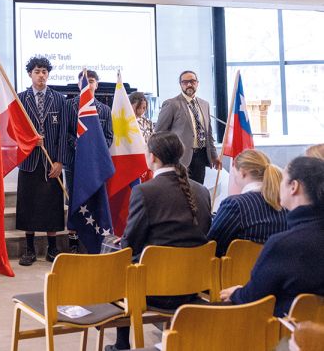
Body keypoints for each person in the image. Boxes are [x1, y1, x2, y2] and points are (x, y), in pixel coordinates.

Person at [106, 131, 212, 351]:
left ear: (152, 157)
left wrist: (121, 242)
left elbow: (130, 245)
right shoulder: (202, 191)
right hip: (194, 285)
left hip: (154, 289)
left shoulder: (144, 191)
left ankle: (122, 344)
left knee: (118, 258)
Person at [221, 156, 324, 317]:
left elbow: (252, 299)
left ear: (293, 187)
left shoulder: (284, 244)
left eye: (283, 179)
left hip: (286, 334)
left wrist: (236, 293)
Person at [16, 56, 72, 265]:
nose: (41, 75)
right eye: (37, 71)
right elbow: (15, 131)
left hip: (52, 161)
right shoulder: (20, 99)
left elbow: (64, 133)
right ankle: (29, 249)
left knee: (52, 204)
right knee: (28, 203)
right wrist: (30, 142)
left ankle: (52, 247)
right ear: (30, 74)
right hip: (29, 160)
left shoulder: (60, 99)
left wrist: (60, 162)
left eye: (44, 72)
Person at [64, 69, 113, 252]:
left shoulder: (105, 110)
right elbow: (65, 132)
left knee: (95, 197)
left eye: (91, 81)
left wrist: (94, 150)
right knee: (74, 200)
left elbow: (109, 137)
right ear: (79, 85)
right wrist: (76, 144)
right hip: (74, 162)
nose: (88, 84)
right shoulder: (69, 106)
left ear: (97, 84)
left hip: (95, 165)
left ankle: (94, 236)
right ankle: (73, 241)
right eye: (85, 81)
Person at [208, 149, 288, 256]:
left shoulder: (235, 205)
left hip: (239, 271)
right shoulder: (285, 204)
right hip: (279, 270)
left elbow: (212, 245)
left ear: (242, 172)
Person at [156, 70, 222, 184]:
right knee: (180, 193)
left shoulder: (204, 104)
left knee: (197, 191)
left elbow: (208, 133)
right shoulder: (171, 104)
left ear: (197, 83)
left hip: (201, 156)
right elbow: (159, 133)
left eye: (192, 81)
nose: (189, 84)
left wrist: (214, 155)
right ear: (180, 84)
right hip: (180, 158)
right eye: (185, 82)